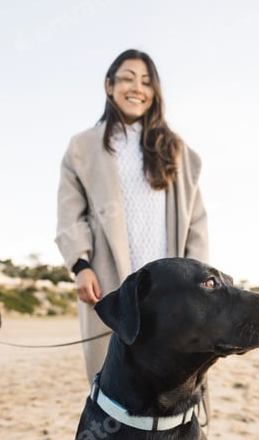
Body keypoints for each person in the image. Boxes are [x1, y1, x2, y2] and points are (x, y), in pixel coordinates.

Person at [55, 49, 209, 385]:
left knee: (176, 373)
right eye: (127, 78)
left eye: (146, 81)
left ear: (154, 93)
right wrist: (81, 266)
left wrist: (197, 279)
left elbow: (196, 221)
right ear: (109, 86)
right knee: (115, 375)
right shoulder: (83, 147)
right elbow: (70, 210)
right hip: (110, 279)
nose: (136, 88)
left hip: (171, 284)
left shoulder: (176, 149)